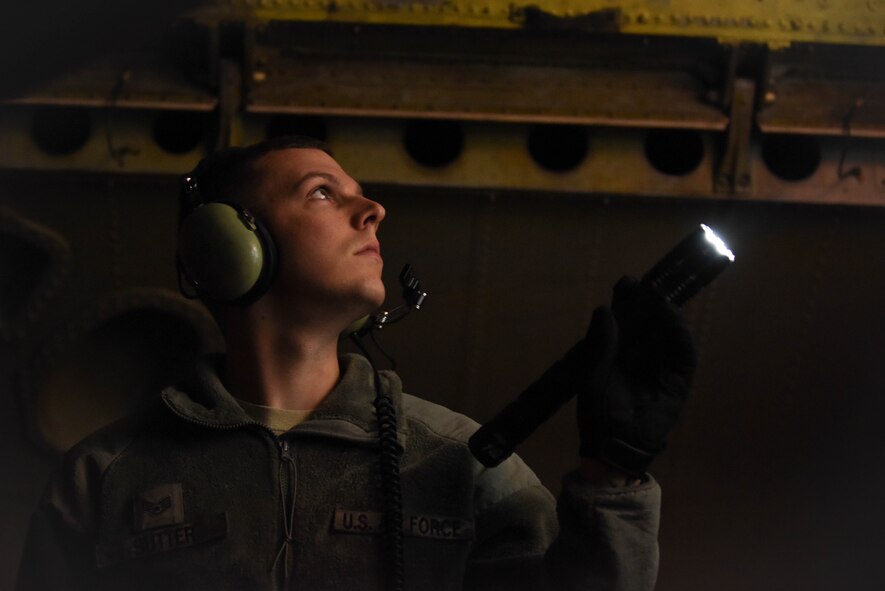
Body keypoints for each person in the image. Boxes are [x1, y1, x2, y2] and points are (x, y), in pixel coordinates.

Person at [16, 135, 695, 590]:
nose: (372, 210)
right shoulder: (106, 477)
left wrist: (615, 473)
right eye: (321, 193)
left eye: (359, 195)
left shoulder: (459, 460)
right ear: (227, 245)